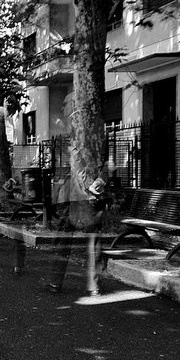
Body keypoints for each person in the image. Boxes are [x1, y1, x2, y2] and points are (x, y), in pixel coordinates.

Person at [46, 95, 107, 296]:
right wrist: (100, 181)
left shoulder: (72, 132)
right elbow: (106, 162)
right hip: (91, 196)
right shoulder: (99, 131)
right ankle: (94, 286)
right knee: (93, 242)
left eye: (64, 105)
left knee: (64, 240)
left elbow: (75, 165)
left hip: (74, 196)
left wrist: (89, 186)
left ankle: (55, 282)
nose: (63, 109)